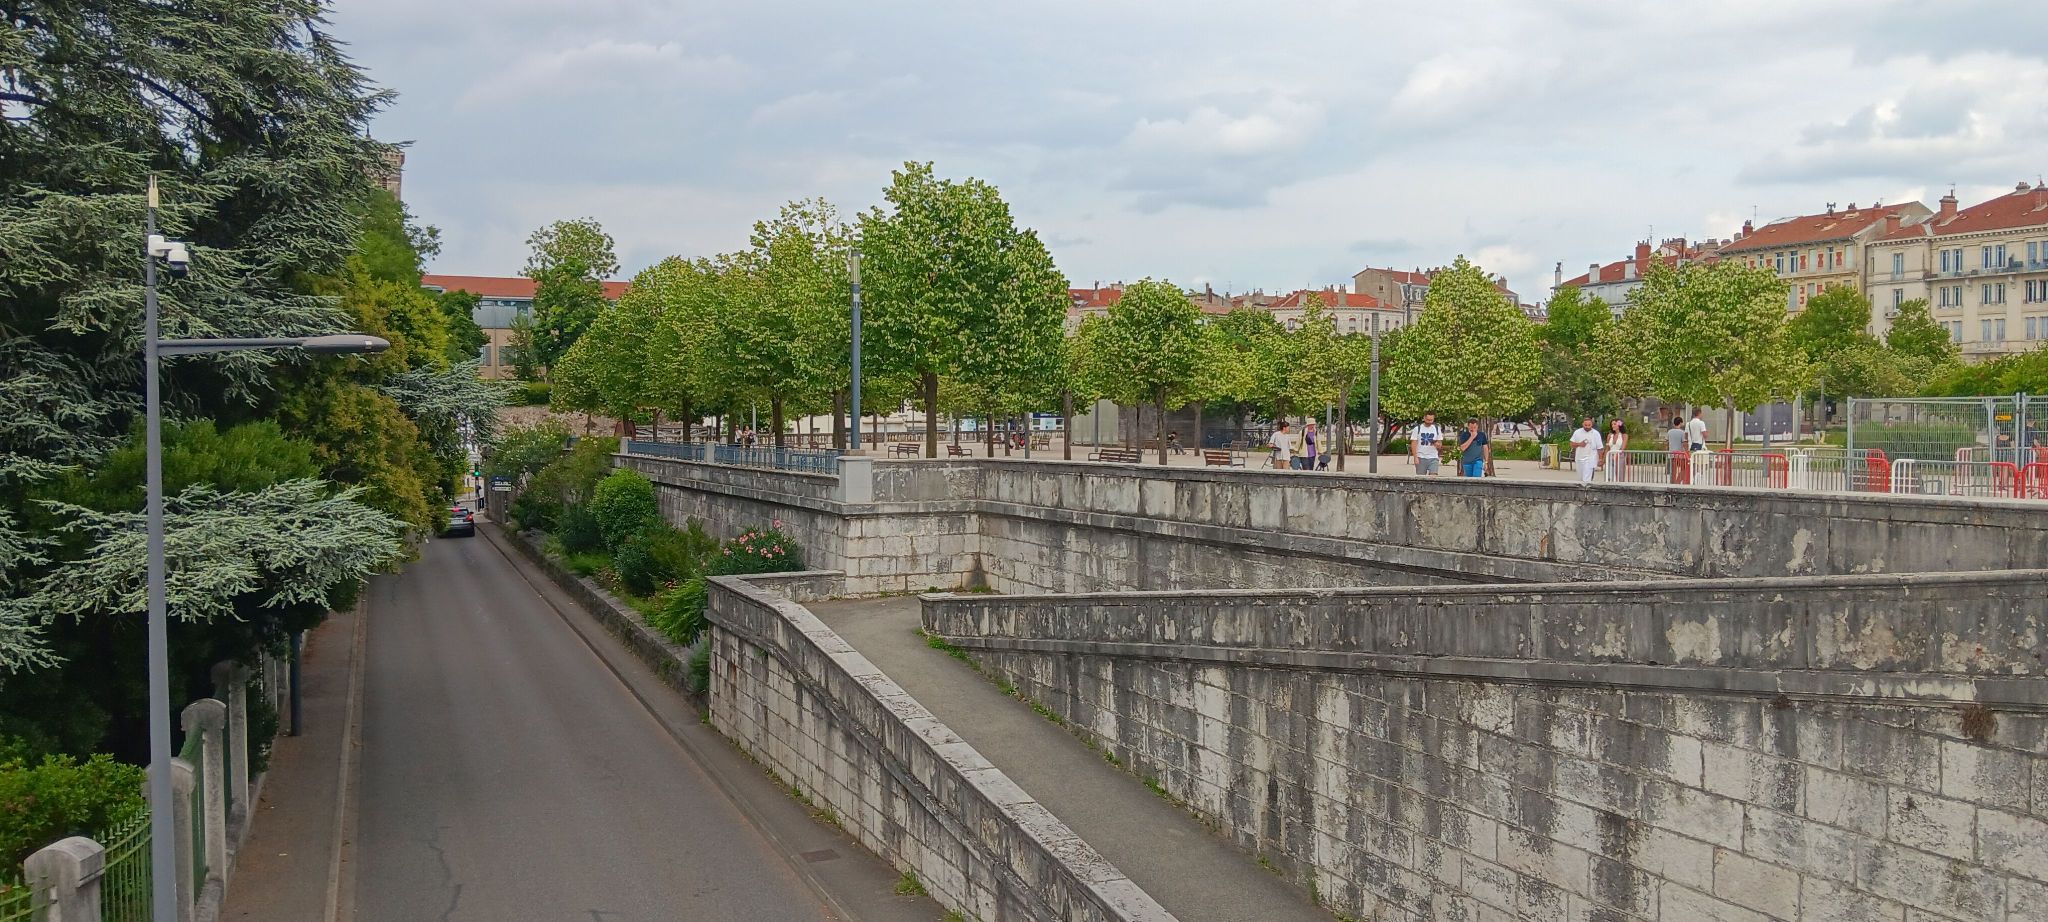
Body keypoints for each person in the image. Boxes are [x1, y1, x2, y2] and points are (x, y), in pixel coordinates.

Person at [1569, 417, 1604, 484]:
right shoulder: (1577, 432)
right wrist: (1579, 444)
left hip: (1590, 459)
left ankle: (1586, 488)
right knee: (1580, 478)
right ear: (1582, 424)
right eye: (1586, 425)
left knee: (1586, 479)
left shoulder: (1595, 433)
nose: (1587, 427)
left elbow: (1599, 448)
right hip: (1579, 458)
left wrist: (1600, 459)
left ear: (1591, 424)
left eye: (1589, 425)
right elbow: (1571, 444)